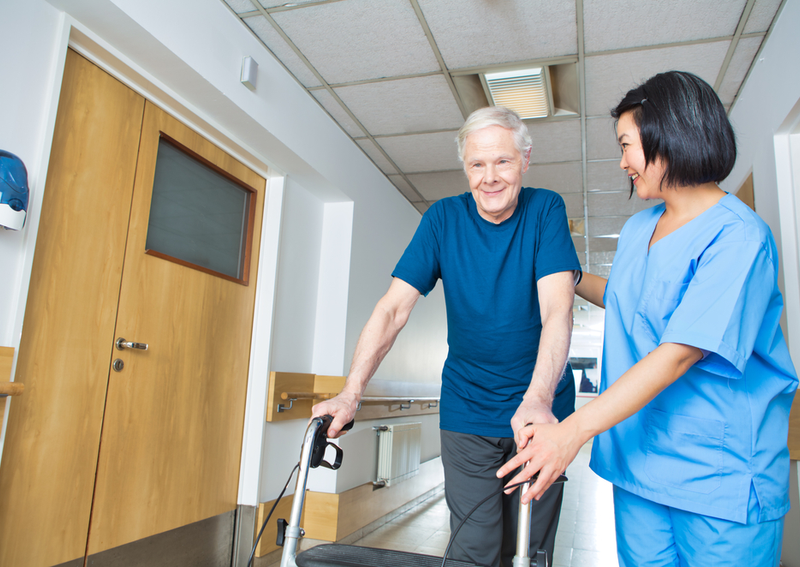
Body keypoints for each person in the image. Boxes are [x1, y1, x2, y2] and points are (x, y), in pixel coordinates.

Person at [498, 71, 799, 567]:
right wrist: (558, 273)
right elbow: (629, 300)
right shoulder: (640, 229)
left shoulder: (739, 237)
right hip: (639, 465)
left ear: (671, 136)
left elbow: (679, 352)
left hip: (716, 477)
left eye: (626, 145)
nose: (621, 163)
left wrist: (573, 431)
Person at [311, 106, 581, 567]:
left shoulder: (545, 209)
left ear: (525, 160)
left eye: (502, 162)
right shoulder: (442, 220)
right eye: (477, 164)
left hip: (540, 410)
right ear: (465, 167)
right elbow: (392, 309)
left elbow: (558, 309)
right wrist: (350, 394)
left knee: (528, 549)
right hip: (467, 408)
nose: (490, 177)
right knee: (474, 549)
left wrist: (537, 399)